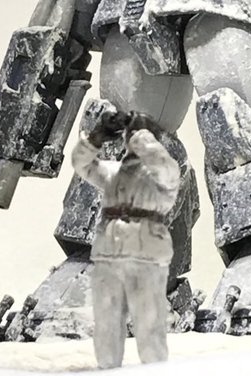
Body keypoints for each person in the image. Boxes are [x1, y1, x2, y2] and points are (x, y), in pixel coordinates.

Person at [71, 111, 180, 368]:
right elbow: (81, 164)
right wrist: (97, 137)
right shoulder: (114, 173)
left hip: (146, 258)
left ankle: (155, 370)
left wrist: (140, 133)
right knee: (106, 324)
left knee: (150, 324)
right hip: (109, 256)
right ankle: (107, 369)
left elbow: (159, 162)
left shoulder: (166, 172)